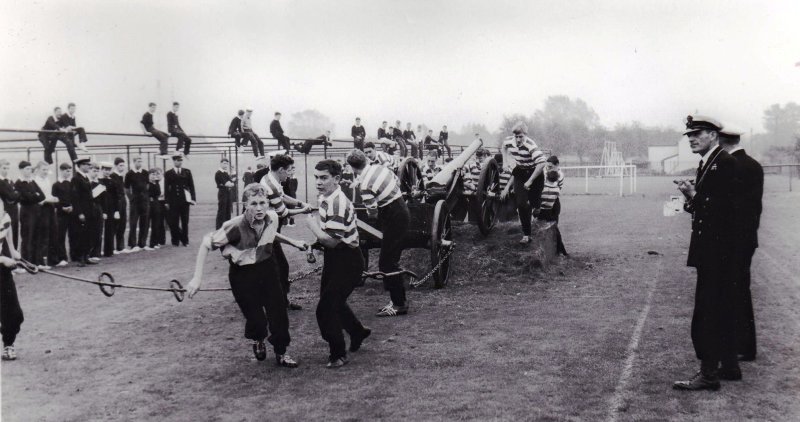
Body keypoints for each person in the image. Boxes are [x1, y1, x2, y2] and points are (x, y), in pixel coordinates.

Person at [186, 183, 309, 369]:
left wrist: (293, 242)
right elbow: (205, 244)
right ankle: (258, 339)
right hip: (242, 274)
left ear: (268, 203)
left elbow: (271, 232)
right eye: (253, 204)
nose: (259, 208)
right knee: (256, 319)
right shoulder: (233, 226)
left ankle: (281, 353)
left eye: (262, 203)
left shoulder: (272, 217)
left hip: (268, 268)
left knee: (279, 313)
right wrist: (197, 278)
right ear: (245, 204)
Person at [673, 115, 739, 391]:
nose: (691, 138)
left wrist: (695, 196)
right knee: (713, 310)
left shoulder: (724, 163)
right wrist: (691, 197)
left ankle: (709, 374)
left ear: (713, 135)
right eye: (689, 135)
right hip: (711, 251)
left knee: (708, 312)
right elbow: (705, 207)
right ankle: (719, 368)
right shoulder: (709, 163)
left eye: (697, 133)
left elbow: (724, 212)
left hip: (718, 252)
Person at [306, 160, 371, 368]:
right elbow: (328, 238)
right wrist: (315, 244)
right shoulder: (326, 196)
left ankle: (338, 354)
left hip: (348, 260)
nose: (318, 182)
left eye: (323, 178)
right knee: (333, 302)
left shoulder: (337, 203)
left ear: (337, 179)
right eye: (316, 177)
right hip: (335, 257)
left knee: (325, 309)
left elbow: (332, 241)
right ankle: (357, 331)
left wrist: (312, 225)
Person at [346, 149, 409, 316]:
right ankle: (397, 300)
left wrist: (370, 218)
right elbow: (396, 181)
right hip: (401, 208)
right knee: (389, 260)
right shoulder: (380, 168)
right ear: (365, 160)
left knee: (387, 263)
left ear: (352, 168)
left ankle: (399, 304)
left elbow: (372, 213)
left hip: (394, 217)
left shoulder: (365, 185)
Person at [718, 129, 763, 362]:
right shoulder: (752, 164)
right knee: (740, 290)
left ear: (721, 141)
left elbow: (732, 207)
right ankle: (745, 346)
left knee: (734, 291)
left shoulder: (733, 165)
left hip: (735, 240)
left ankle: (742, 346)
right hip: (746, 239)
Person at [259, 154, 312, 310]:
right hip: (265, 232)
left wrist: (300, 203)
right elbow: (283, 213)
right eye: (288, 171)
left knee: (278, 267)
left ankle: (279, 301)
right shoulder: (272, 185)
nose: (290, 174)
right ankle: (278, 303)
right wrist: (302, 210)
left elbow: (283, 197)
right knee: (280, 267)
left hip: (269, 229)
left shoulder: (271, 178)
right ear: (281, 169)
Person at [500, 123, 547, 244]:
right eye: (516, 137)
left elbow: (542, 163)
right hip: (520, 171)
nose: (518, 139)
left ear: (525, 135)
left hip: (535, 173)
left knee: (533, 202)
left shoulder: (530, 145)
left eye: (521, 136)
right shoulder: (508, 141)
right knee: (521, 204)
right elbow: (503, 147)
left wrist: (530, 181)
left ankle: (537, 206)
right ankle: (526, 235)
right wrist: (505, 162)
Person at [1, 199, 24, 361]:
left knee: (15, 314)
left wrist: (13, 250)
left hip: (2, 270)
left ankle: (8, 343)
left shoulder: (4, 215)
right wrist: (2, 259)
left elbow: (7, 229)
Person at [14, 161, 45, 268]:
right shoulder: (19, 183)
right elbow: (26, 198)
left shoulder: (32, 181)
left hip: (36, 211)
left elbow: (42, 195)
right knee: (28, 236)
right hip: (26, 212)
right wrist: (34, 195)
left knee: (37, 236)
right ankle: (27, 262)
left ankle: (37, 262)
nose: (29, 171)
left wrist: (33, 195)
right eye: (27, 169)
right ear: (21, 170)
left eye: (30, 169)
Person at [164, 154, 195, 247]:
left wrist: (193, 199)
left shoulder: (187, 172)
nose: (180, 162)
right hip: (173, 201)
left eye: (181, 160)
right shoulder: (168, 173)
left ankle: (185, 241)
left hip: (185, 201)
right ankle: (175, 240)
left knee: (185, 221)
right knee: (174, 221)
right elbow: (166, 188)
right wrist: (166, 201)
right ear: (174, 161)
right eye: (177, 160)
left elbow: (191, 186)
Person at [70, 158, 96, 267]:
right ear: (80, 166)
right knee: (81, 234)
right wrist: (80, 212)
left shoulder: (85, 177)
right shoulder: (76, 178)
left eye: (89, 164)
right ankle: (80, 258)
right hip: (82, 211)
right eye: (86, 165)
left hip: (89, 210)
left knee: (88, 233)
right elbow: (75, 198)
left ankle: (86, 256)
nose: (88, 166)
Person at [33, 162, 58, 268]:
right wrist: (48, 199)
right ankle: (40, 261)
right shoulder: (35, 181)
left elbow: (48, 195)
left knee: (52, 233)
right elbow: (39, 198)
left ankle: (51, 260)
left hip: (50, 208)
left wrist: (54, 198)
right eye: (43, 170)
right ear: (38, 169)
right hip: (41, 210)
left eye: (47, 170)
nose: (46, 172)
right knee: (43, 235)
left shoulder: (47, 180)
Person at [537, 170, 568, 256]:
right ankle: (562, 251)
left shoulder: (542, 187)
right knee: (556, 231)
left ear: (546, 178)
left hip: (541, 212)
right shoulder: (557, 190)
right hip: (549, 212)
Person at [124, 157, 150, 252]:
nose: (140, 163)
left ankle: (142, 243)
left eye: (141, 161)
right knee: (133, 222)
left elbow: (147, 185)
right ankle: (133, 244)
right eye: (138, 161)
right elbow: (126, 188)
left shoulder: (145, 173)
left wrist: (145, 195)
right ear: (134, 162)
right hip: (135, 201)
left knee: (145, 222)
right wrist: (131, 198)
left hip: (144, 201)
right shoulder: (129, 174)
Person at [51, 163, 73, 266]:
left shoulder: (71, 183)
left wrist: (72, 207)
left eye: (69, 171)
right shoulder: (56, 185)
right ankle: (62, 257)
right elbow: (55, 200)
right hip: (61, 214)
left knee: (73, 235)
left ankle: (74, 255)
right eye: (66, 171)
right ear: (61, 171)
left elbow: (74, 197)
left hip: (71, 212)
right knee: (60, 236)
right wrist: (62, 208)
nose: (68, 173)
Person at [99, 162, 122, 257]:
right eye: (105, 170)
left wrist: (116, 210)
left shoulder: (113, 182)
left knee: (110, 229)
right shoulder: (98, 181)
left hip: (111, 207)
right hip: (100, 207)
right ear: (102, 170)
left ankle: (108, 250)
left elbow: (116, 197)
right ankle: (96, 251)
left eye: (109, 170)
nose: (107, 172)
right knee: (98, 230)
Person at [87, 162, 105, 262]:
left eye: (97, 171)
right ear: (89, 171)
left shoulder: (100, 183)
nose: (96, 173)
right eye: (94, 171)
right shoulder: (87, 182)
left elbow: (104, 199)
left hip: (98, 208)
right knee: (90, 230)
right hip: (89, 208)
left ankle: (96, 252)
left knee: (98, 230)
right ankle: (89, 252)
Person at [109, 158, 128, 253]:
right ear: (115, 166)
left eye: (123, 165)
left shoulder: (121, 176)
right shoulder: (112, 176)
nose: (122, 167)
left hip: (122, 202)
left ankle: (121, 247)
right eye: (120, 165)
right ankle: (111, 248)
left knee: (122, 224)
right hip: (115, 203)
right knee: (114, 225)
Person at [0, 159, 20, 249]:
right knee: (5, 233)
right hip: (4, 210)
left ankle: (14, 255)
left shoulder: (10, 180)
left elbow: (18, 194)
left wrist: (14, 195)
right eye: (4, 168)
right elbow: (9, 195)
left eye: (8, 168)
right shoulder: (1, 181)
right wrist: (14, 194)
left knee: (14, 232)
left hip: (14, 209)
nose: (6, 170)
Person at [147, 168, 166, 249]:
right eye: (152, 174)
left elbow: (158, 193)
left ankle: (154, 242)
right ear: (149, 175)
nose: (154, 176)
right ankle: (146, 244)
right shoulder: (147, 184)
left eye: (155, 174)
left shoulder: (157, 183)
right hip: (148, 205)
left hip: (156, 204)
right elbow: (147, 194)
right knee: (147, 224)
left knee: (156, 224)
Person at [215, 158, 236, 229]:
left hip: (227, 193)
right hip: (222, 193)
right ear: (220, 164)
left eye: (226, 163)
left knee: (227, 211)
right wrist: (230, 183)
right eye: (224, 163)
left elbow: (232, 182)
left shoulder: (225, 173)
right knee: (222, 211)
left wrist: (230, 183)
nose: (225, 165)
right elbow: (229, 184)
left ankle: (227, 228)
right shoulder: (218, 173)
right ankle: (219, 228)